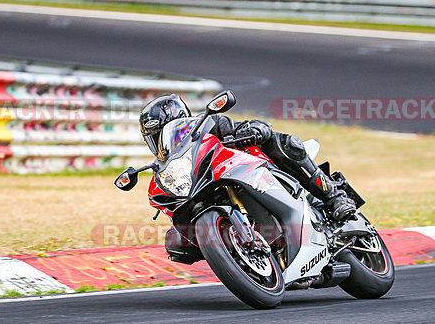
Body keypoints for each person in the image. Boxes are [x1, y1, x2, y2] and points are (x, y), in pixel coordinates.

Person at [139, 94, 357, 252]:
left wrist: (253, 130)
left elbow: (243, 126)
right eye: (153, 137)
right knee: (176, 240)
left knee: (286, 143)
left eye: (161, 133)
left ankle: (334, 197)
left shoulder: (209, 124)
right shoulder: (168, 163)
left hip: (255, 167)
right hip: (211, 185)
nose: (158, 141)